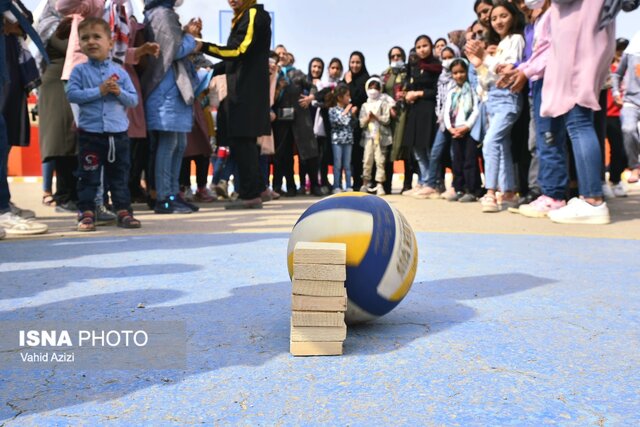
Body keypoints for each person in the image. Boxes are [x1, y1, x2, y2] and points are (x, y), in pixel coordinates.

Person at [540, 0, 629, 224]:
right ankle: (590, 195)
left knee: (578, 121)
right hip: (595, 35)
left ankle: (592, 199)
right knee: (583, 118)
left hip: (577, 37)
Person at [65, 17, 140, 231]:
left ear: (110, 42)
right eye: (85, 38)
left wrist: (119, 92)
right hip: (91, 135)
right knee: (88, 176)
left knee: (119, 176)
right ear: (79, 44)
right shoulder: (79, 71)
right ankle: (87, 212)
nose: (91, 42)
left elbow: (133, 100)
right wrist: (99, 91)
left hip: (118, 136)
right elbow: (72, 94)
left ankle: (123, 211)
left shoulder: (121, 73)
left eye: (97, 37)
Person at [201, 0, 272, 209]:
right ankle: (258, 188)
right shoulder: (242, 17)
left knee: (242, 140)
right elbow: (237, 60)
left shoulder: (252, 14)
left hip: (246, 92)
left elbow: (239, 50)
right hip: (242, 90)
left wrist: (203, 46)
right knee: (245, 141)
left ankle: (250, 194)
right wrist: (212, 70)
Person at [142, 0, 201, 214]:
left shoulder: (158, 13)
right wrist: (191, 37)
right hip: (165, 89)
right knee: (168, 146)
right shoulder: (163, 14)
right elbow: (173, 50)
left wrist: (185, 33)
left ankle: (174, 194)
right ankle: (164, 198)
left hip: (172, 91)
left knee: (178, 144)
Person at [466, 1, 525, 213]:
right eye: (494, 18)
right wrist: (478, 62)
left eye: (503, 16)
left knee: (491, 142)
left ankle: (490, 192)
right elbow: (487, 79)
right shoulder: (496, 46)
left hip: (508, 99)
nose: (498, 21)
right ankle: (508, 192)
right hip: (492, 99)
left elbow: (505, 72)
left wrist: (485, 57)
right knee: (501, 146)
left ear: (513, 16)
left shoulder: (516, 40)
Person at [402, 35, 442, 198]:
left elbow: (437, 91)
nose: (422, 49)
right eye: (418, 47)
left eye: (425, 46)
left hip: (429, 109)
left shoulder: (436, 66)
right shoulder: (414, 67)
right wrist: (407, 95)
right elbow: (409, 87)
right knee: (417, 149)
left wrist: (418, 93)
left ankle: (434, 182)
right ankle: (424, 180)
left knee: (430, 148)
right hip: (415, 111)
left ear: (431, 47)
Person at [443, 58, 481, 202]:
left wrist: (466, 127)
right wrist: (450, 128)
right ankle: (459, 189)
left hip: (469, 131)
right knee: (457, 161)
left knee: (469, 160)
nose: (459, 75)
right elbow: (446, 111)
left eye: (461, 72)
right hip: (455, 131)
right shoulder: (452, 91)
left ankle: (473, 190)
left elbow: (476, 110)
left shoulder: (472, 89)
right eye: (455, 73)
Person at [381, 46, 411, 194]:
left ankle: (408, 184)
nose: (396, 58)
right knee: (388, 149)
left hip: (405, 115)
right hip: (388, 117)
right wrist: (388, 108)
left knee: (405, 149)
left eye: (399, 55)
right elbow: (380, 95)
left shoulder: (409, 73)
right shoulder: (385, 75)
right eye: (393, 56)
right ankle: (386, 186)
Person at [612, 31, 640, 184]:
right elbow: (617, 74)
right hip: (631, 100)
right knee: (628, 129)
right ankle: (634, 166)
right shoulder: (631, 52)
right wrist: (616, 91)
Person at [359, 76, 393, 196]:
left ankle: (380, 184)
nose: (373, 90)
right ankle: (365, 183)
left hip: (381, 137)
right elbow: (361, 122)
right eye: (371, 88)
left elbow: (387, 119)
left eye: (375, 88)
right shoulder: (364, 105)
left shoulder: (383, 104)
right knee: (367, 160)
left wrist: (376, 117)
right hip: (368, 137)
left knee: (380, 161)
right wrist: (368, 118)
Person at [344, 51, 370, 191]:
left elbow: (358, 97)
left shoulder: (366, 79)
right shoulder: (346, 78)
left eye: (358, 62)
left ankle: (360, 183)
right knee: (349, 155)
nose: (354, 65)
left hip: (362, 123)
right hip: (346, 124)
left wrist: (349, 83)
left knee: (359, 154)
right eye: (352, 62)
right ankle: (350, 183)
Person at [327, 84, 358, 193]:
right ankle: (336, 186)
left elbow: (353, 124)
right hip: (337, 141)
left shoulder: (349, 110)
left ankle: (349, 185)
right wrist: (346, 112)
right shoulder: (332, 110)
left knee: (347, 165)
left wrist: (353, 115)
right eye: (346, 95)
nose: (348, 98)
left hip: (348, 140)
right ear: (340, 97)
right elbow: (338, 122)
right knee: (337, 164)